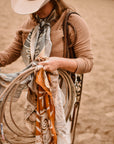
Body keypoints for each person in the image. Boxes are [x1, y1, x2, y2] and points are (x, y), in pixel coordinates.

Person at [0, 0, 93, 143]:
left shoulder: (73, 22)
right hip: (36, 91)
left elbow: (87, 62)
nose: (33, 10)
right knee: (38, 133)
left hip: (62, 93)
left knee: (58, 135)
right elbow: (8, 55)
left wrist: (58, 62)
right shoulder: (28, 24)